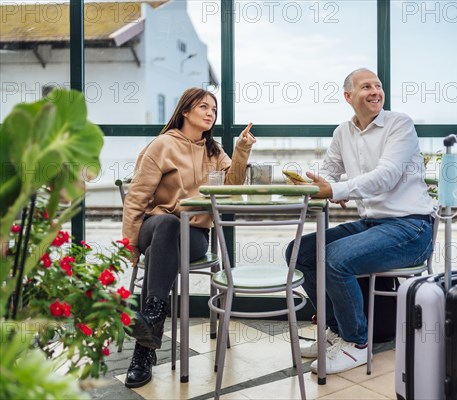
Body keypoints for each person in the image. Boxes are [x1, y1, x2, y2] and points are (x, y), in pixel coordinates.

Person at [285, 68, 434, 374]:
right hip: (373, 224)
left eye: (378, 86)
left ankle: (356, 344)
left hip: (411, 227)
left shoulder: (399, 124)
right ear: (348, 96)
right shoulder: (343, 132)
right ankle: (336, 332)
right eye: (366, 86)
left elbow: (387, 175)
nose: (375, 91)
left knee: (335, 258)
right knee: (300, 251)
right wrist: (315, 184)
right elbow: (328, 169)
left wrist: (337, 189)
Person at [121, 88, 256, 388]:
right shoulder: (161, 146)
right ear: (185, 111)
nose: (210, 113)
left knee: (171, 233)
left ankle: (146, 339)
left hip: (194, 234)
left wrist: (241, 151)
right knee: (167, 223)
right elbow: (136, 199)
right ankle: (154, 321)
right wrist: (130, 246)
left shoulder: (214, 151)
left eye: (214, 110)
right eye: (203, 107)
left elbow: (232, 187)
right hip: (155, 227)